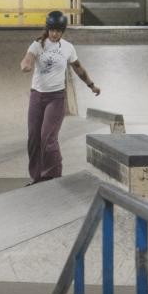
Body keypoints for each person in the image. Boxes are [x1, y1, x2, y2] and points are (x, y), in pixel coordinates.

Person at [20, 10, 100, 184]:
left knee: (48, 137)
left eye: (58, 31)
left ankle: (53, 176)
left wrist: (91, 85)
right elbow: (28, 58)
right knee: (34, 138)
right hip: (36, 96)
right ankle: (37, 177)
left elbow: (78, 68)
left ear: (63, 31)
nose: (54, 34)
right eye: (52, 30)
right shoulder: (38, 44)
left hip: (56, 98)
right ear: (47, 29)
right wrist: (25, 65)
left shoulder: (68, 48)